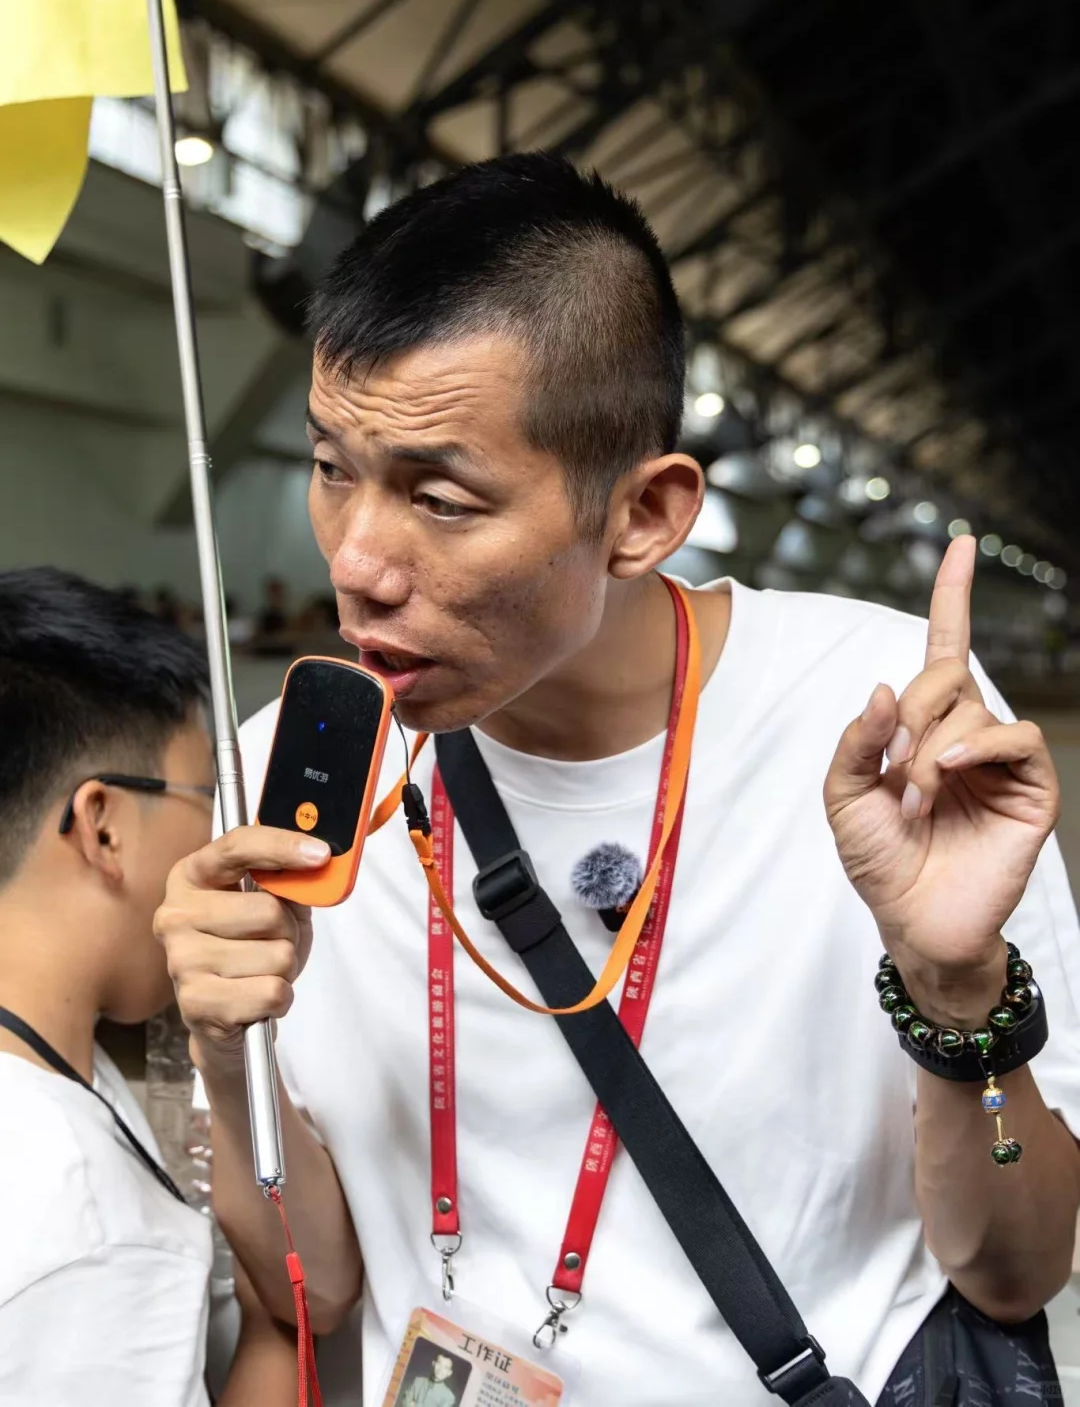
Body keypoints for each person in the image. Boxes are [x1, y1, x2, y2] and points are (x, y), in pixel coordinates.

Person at [155, 154, 1080, 1406]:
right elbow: (313, 1294)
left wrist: (958, 990)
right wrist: (225, 1049)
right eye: (332, 467)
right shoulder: (288, 784)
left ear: (645, 512)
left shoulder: (887, 732)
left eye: (438, 495)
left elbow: (1017, 1274)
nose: (360, 562)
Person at [0, 567, 297, 1406]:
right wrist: (280, 1323)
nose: (222, 836)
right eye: (206, 796)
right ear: (102, 824)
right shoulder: (88, 1224)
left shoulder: (63, 1077)